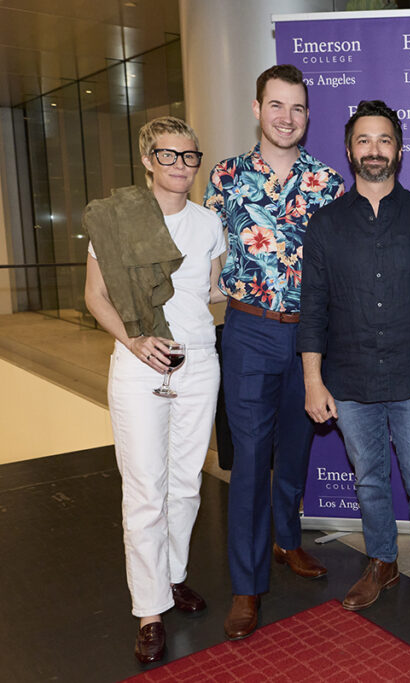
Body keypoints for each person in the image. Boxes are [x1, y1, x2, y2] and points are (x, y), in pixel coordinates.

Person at [298, 100, 410, 640]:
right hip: (349, 382)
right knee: (369, 481)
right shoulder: (325, 225)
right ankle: (383, 562)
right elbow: (313, 311)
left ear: (399, 149)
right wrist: (313, 380)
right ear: (349, 151)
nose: (375, 150)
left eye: (384, 140)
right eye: (364, 140)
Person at [204, 64, 344, 640]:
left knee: (295, 447)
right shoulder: (225, 176)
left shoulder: (328, 182)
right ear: (257, 109)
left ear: (308, 115)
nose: (287, 117)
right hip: (249, 331)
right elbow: (209, 254)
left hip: (310, 337)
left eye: (298, 107)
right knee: (251, 458)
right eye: (277, 105)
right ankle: (247, 583)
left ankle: (288, 540)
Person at [84, 116, 225, 663]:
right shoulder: (116, 220)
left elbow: (212, 291)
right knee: (146, 490)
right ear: (147, 160)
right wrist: (136, 340)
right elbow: (95, 296)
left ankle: (172, 577)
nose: (181, 166)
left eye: (190, 156)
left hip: (198, 362)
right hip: (140, 362)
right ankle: (149, 610)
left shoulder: (208, 222)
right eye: (169, 155)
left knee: (186, 484)